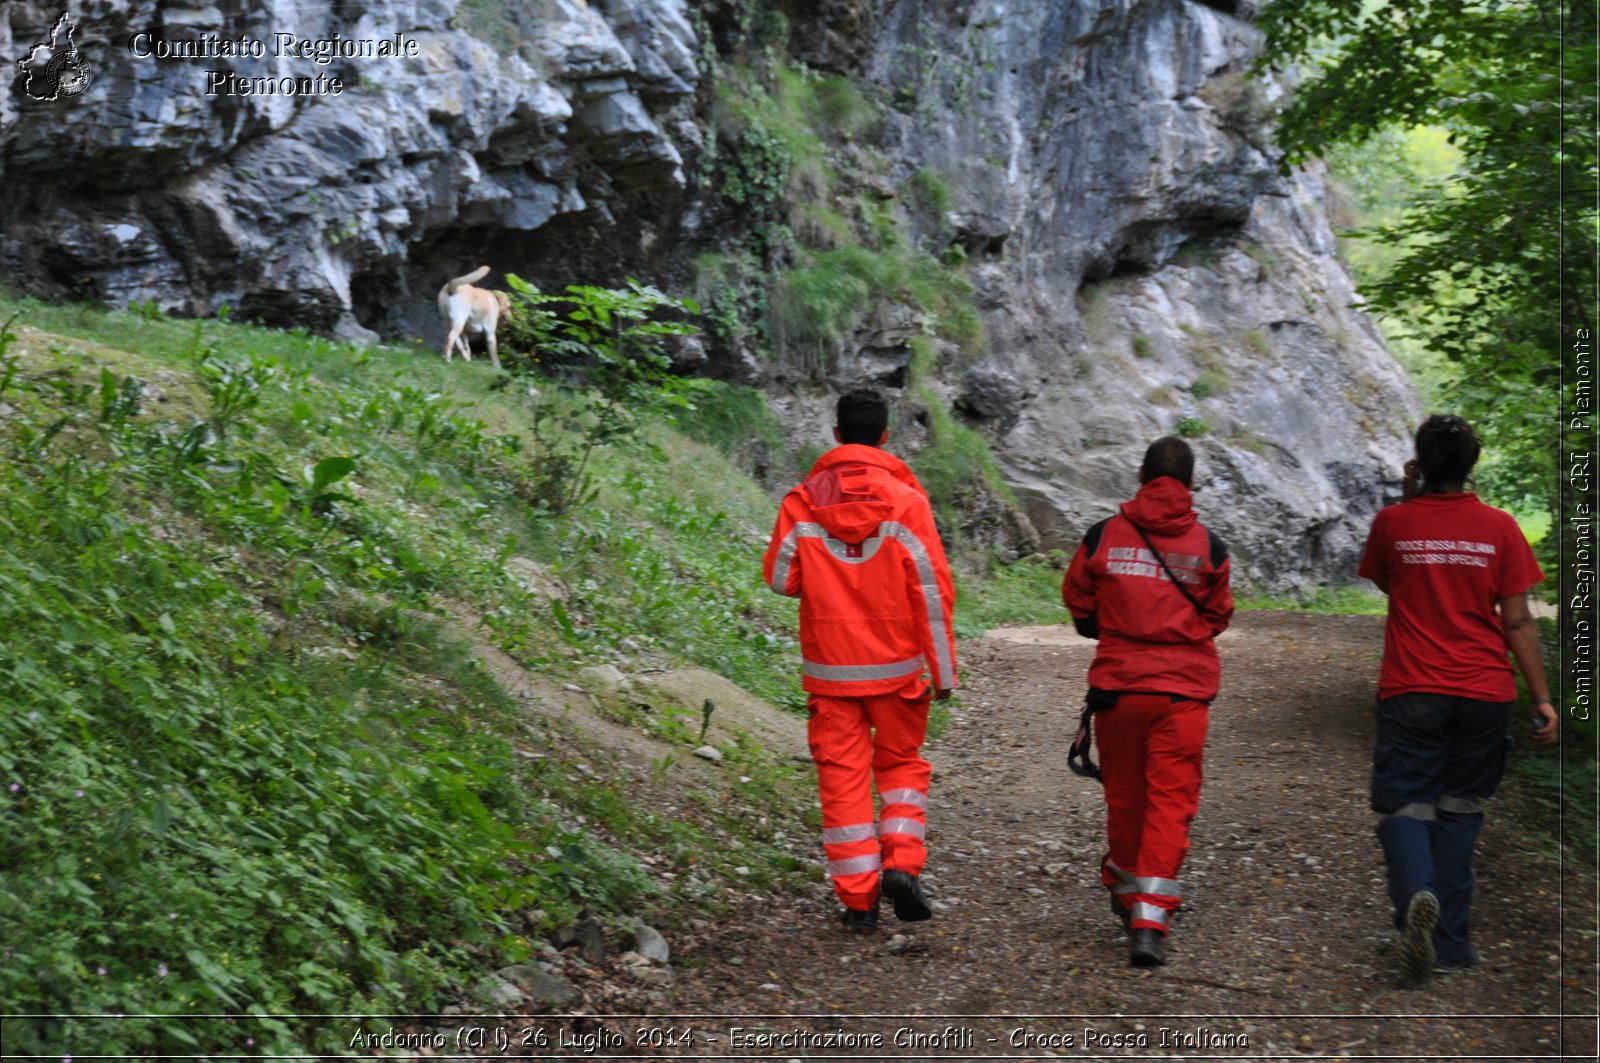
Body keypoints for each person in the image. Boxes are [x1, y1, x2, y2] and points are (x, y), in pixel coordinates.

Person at [1358, 414, 1557, 984]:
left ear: (1420, 464)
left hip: (1412, 689)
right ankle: (1450, 944)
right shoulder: (1500, 527)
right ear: (1471, 464)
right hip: (1484, 693)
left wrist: (1407, 501)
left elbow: (1390, 580)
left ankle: (1418, 896)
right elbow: (1517, 621)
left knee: (1406, 805)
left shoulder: (1392, 522)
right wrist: (1541, 698)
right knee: (1460, 810)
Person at [763, 387, 958, 933]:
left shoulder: (801, 502)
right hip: (898, 675)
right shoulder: (907, 503)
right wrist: (943, 672)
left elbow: (782, 579)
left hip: (831, 675)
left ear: (836, 436)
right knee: (900, 767)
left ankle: (859, 904)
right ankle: (901, 863)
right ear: (885, 438)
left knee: (842, 784)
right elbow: (932, 593)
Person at [1062, 436, 1233, 967]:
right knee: (1171, 803)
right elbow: (1218, 615)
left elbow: (1077, 597)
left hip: (1119, 689)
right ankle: (1150, 920)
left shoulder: (1102, 536)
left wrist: (1107, 627)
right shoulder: (1210, 546)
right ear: (1192, 483)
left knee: (1126, 797)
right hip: (1183, 695)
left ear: (1141, 475)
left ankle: (1123, 884)